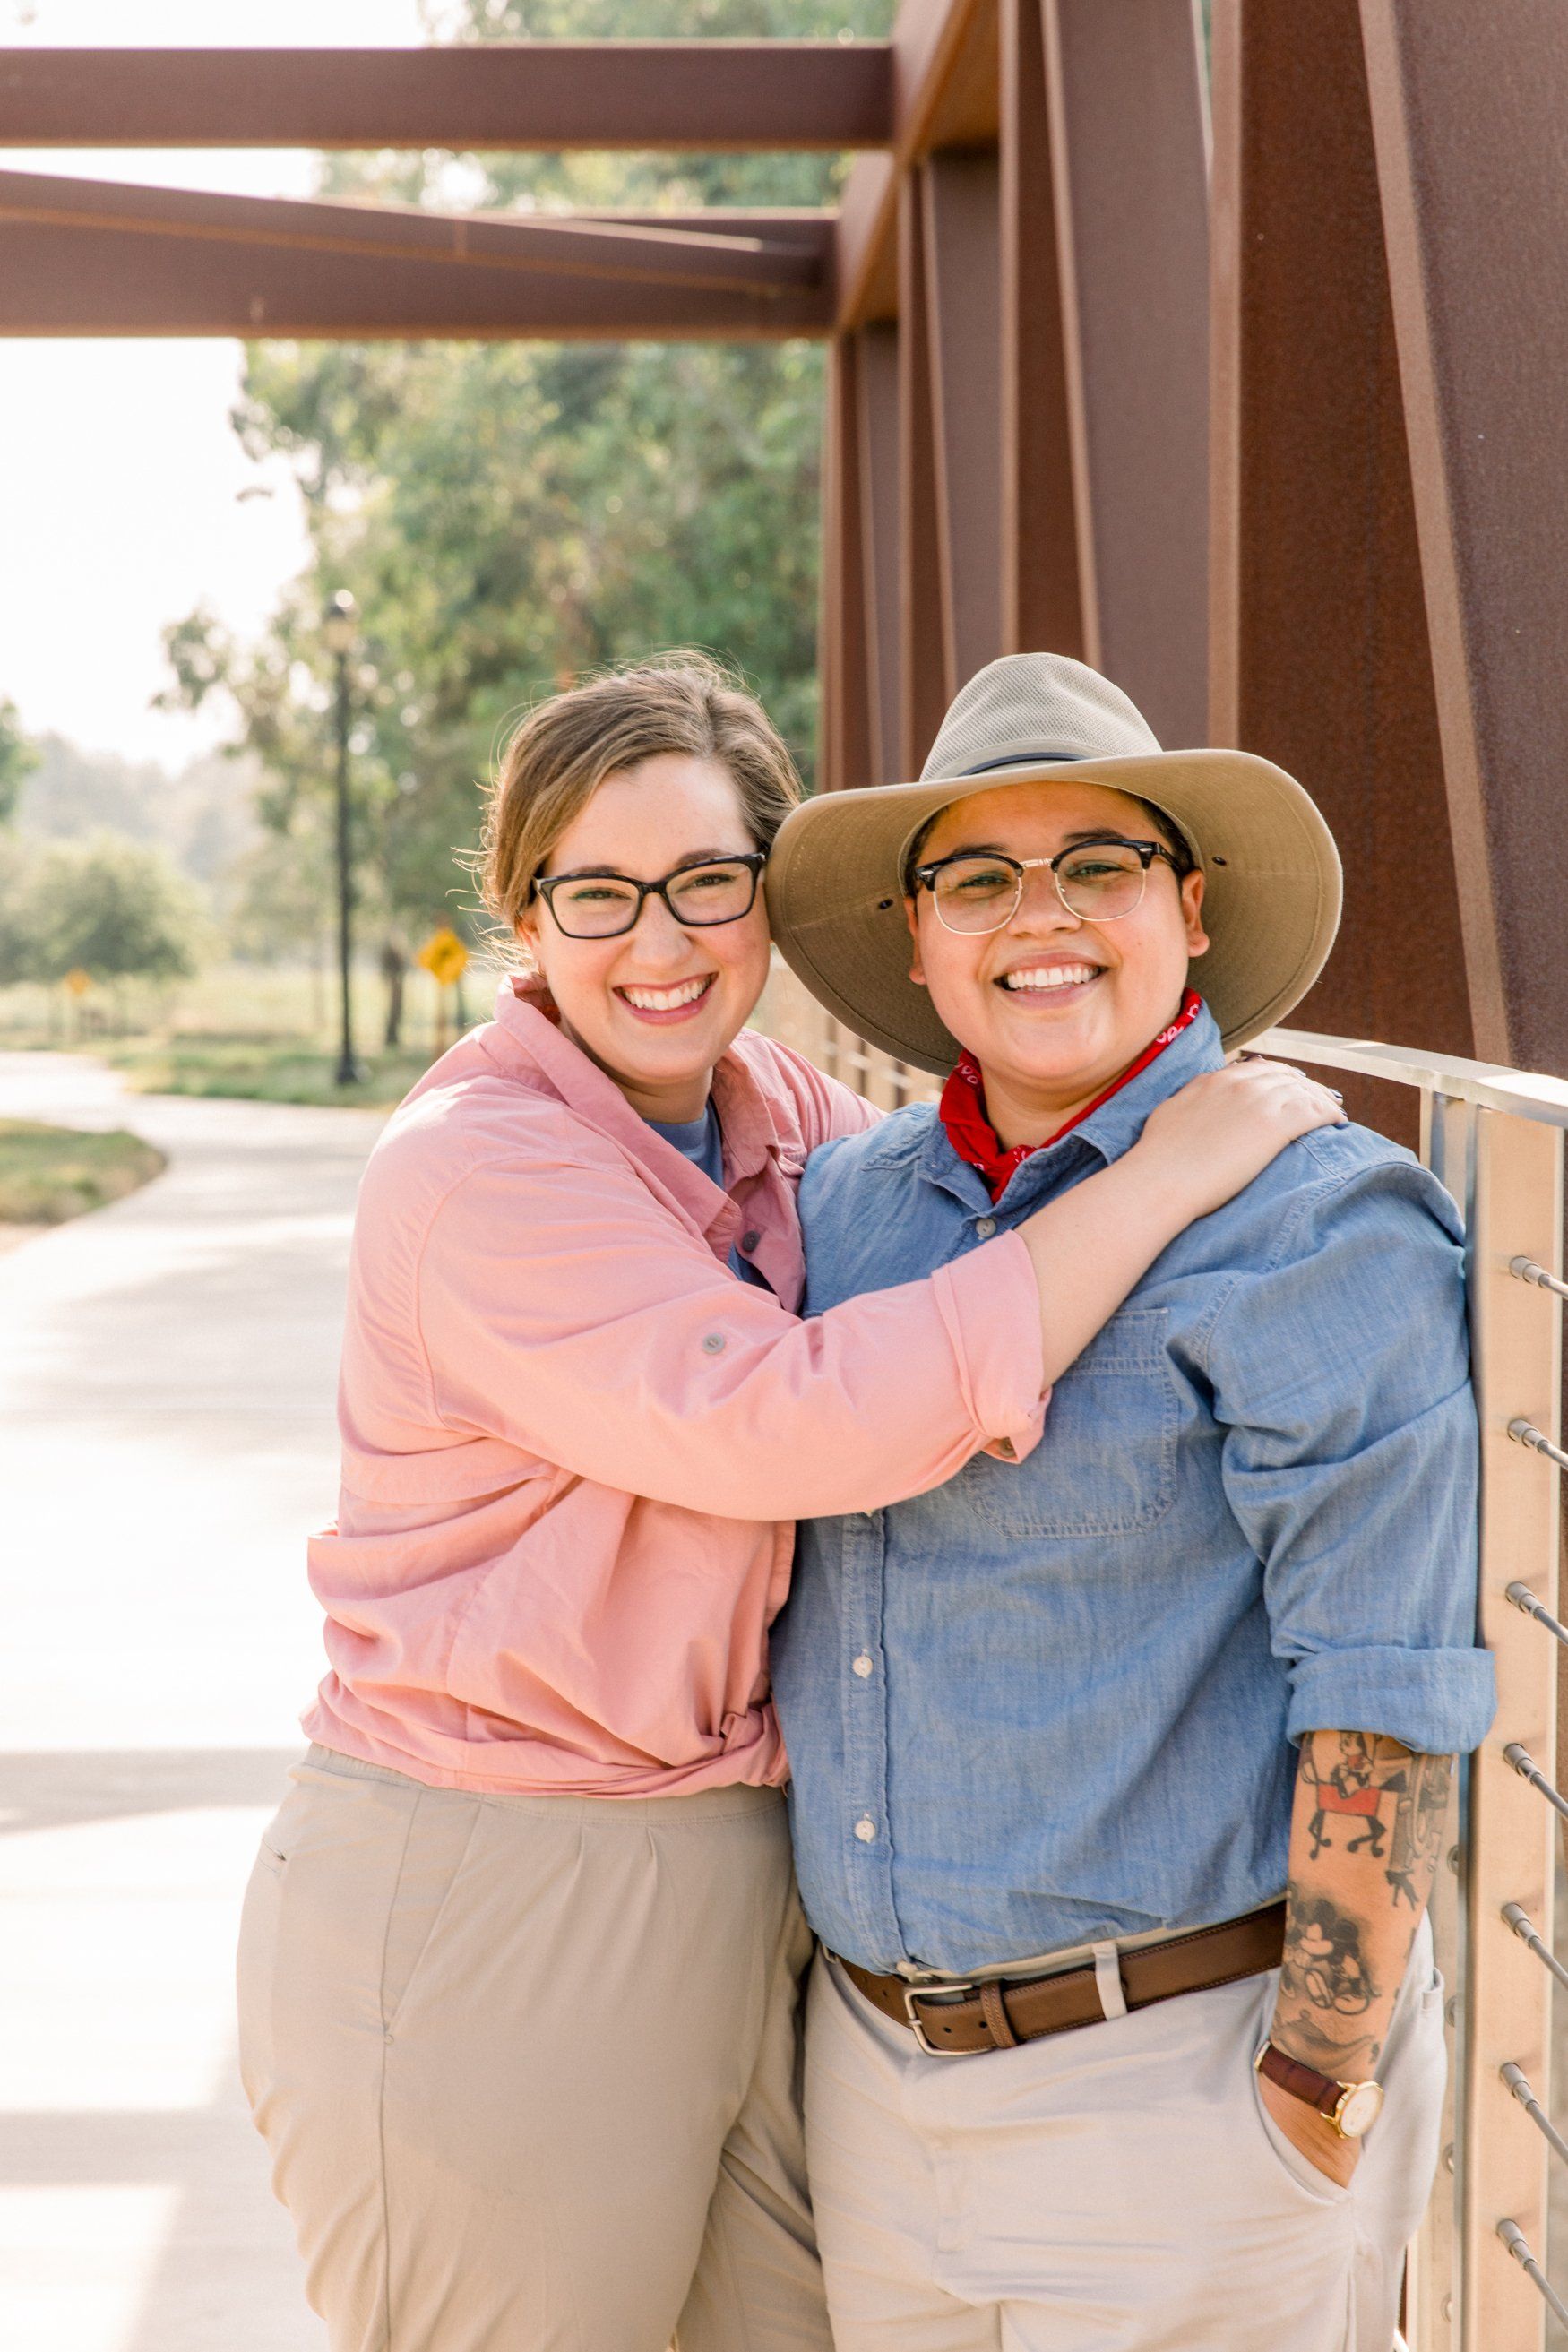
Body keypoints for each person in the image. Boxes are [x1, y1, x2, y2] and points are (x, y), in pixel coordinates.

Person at [236, 654, 1343, 2352]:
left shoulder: (780, 1122)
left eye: (706, 882)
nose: (659, 942)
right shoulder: (475, 1170)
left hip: (751, 1888)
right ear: (523, 915)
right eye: (597, 893)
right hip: (493, 1877)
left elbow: (968, 1227)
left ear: (769, 898)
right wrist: (1178, 1162)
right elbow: (797, 1419)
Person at [765, 651, 1497, 2352]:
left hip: (1184, 2097)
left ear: (1187, 907)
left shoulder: (1317, 1223)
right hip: (868, 2093)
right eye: (977, 879)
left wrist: (1315, 2083)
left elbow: (1382, 1693)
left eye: (1097, 863)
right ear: (918, 935)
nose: (1042, 916)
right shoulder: (845, 1214)